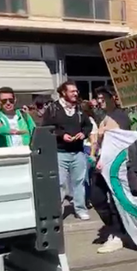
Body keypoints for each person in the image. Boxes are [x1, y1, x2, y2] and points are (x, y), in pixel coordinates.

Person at [89, 87, 132, 254]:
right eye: (98, 97)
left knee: (115, 201)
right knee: (97, 197)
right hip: (101, 164)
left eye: (103, 97)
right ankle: (114, 227)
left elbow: (120, 141)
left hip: (114, 165)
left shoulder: (120, 116)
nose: (100, 100)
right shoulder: (104, 116)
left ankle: (118, 234)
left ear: (113, 98)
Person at [43, 81, 93, 220]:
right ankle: (57, 211)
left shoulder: (79, 109)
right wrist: (61, 135)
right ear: (63, 93)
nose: (75, 94)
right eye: (72, 91)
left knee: (79, 182)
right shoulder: (53, 109)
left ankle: (80, 209)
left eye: (76, 91)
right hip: (60, 152)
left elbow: (88, 126)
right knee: (60, 183)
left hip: (78, 152)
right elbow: (47, 128)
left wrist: (84, 133)